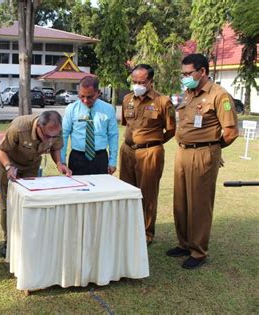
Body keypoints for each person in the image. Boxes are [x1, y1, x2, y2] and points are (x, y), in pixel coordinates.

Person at [166, 53, 238, 269]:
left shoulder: (219, 95)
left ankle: (198, 251)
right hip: (182, 152)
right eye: (183, 74)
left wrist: (213, 149)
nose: (185, 77)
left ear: (202, 71)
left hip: (204, 154)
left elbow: (231, 132)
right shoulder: (188, 93)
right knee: (181, 201)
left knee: (199, 203)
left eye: (189, 73)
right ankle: (184, 243)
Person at [0, 111, 72, 257]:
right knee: (8, 205)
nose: (49, 139)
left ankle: (29, 238)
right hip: (10, 165)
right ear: (38, 126)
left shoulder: (55, 130)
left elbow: (55, 147)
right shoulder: (19, 128)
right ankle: (8, 241)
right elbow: (1, 150)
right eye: (46, 136)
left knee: (31, 202)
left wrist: (59, 163)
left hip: (31, 166)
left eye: (53, 136)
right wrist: (8, 167)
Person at [119, 64, 176, 246]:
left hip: (150, 152)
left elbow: (171, 130)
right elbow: (126, 124)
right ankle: (127, 229)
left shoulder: (162, 101)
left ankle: (146, 233)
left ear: (150, 81)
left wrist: (153, 143)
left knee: (148, 193)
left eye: (141, 82)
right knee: (126, 192)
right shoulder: (127, 98)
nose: (137, 85)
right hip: (128, 150)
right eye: (134, 81)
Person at [61, 76, 118, 175]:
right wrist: (62, 161)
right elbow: (64, 135)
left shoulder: (108, 109)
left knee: (100, 189)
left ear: (98, 93)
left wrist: (112, 161)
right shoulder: (71, 109)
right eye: (82, 96)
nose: (85, 100)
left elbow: (113, 135)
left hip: (100, 158)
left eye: (90, 97)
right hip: (77, 158)